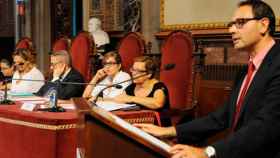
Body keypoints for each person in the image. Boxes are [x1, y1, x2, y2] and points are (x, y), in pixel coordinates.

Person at [135, 1, 280, 158]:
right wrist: (169, 131)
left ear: (264, 25)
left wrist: (208, 152)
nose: (231, 29)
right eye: (231, 24)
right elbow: (220, 118)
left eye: (240, 23)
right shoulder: (245, 71)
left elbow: (267, 126)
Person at [113, 56, 171, 126]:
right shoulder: (132, 87)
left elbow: (157, 103)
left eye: (138, 71)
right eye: (133, 69)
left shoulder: (159, 87)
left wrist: (131, 98)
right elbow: (120, 99)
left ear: (149, 74)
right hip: (135, 126)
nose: (133, 73)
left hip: (157, 129)